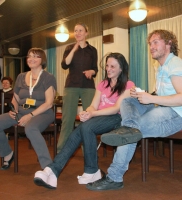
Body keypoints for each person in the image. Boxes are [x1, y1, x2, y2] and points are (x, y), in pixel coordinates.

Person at [86, 29, 182, 191]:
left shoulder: (175, 64)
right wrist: (141, 94)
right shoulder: (161, 67)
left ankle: (114, 177)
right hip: (163, 108)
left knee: (132, 131)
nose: (151, 46)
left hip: (175, 115)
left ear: (168, 44)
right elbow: (161, 94)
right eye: (150, 43)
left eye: (156, 42)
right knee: (128, 100)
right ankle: (128, 128)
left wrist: (151, 99)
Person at [33, 52, 135, 189]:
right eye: (107, 66)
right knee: (84, 126)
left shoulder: (128, 85)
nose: (108, 69)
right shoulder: (102, 84)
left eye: (113, 66)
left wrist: (93, 114)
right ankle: (54, 171)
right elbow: (93, 104)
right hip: (100, 117)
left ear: (121, 68)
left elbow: (117, 108)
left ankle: (72, 170)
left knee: (86, 127)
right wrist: (87, 112)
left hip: (117, 118)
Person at [0, 48, 57, 170]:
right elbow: (15, 99)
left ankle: (48, 167)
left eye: (36, 56)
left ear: (42, 60)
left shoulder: (48, 77)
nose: (31, 59)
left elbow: (48, 103)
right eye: (29, 56)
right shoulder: (21, 76)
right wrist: (14, 110)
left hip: (43, 112)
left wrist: (30, 116)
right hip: (21, 112)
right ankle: (8, 154)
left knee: (31, 128)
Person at [57, 22, 98, 153]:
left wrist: (92, 72)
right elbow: (64, 65)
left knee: (88, 119)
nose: (78, 33)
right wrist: (74, 49)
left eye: (81, 30)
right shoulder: (69, 48)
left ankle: (88, 148)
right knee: (67, 119)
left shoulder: (92, 50)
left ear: (86, 33)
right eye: (75, 31)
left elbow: (95, 69)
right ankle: (62, 150)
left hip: (88, 87)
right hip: (71, 86)